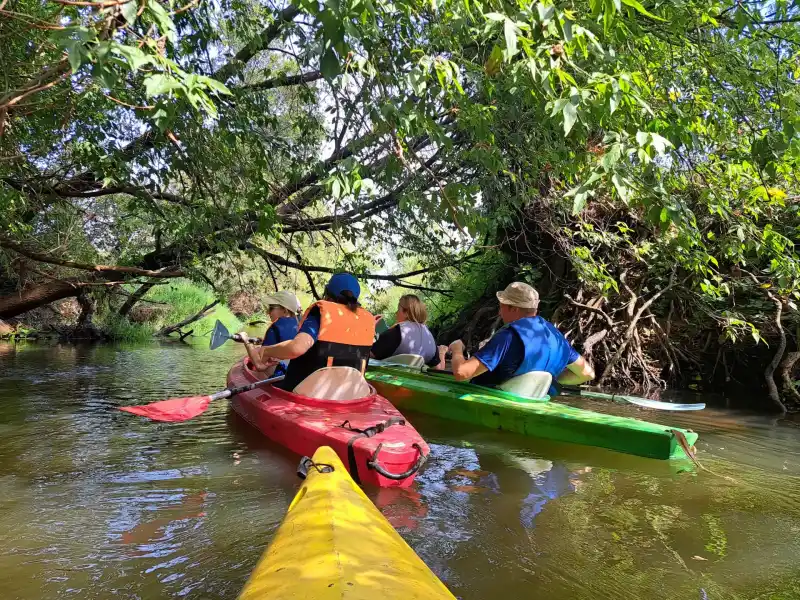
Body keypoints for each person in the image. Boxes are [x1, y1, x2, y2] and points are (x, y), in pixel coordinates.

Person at [440, 282, 594, 392]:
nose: (500, 313)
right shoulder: (558, 339)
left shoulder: (508, 337)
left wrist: (457, 350)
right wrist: (546, 378)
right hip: (533, 401)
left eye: (502, 307)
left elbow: (462, 373)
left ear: (512, 308)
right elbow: (586, 373)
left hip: (494, 401)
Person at [256, 273, 376, 391]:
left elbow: (297, 348)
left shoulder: (321, 315)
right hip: (349, 393)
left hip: (308, 392)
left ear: (327, 295)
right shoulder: (366, 320)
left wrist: (267, 351)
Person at [238, 290, 301, 377]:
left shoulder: (275, 328)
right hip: (299, 378)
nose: (268, 312)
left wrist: (247, 342)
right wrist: (264, 341)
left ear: (285, 310)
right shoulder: (304, 326)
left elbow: (260, 365)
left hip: (280, 380)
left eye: (271, 308)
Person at [371, 294, 440, 366]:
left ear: (406, 313)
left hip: (389, 375)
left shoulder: (396, 332)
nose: (396, 313)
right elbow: (438, 367)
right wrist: (442, 351)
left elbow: (366, 354)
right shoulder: (430, 336)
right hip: (415, 376)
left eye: (398, 310)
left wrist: (369, 329)